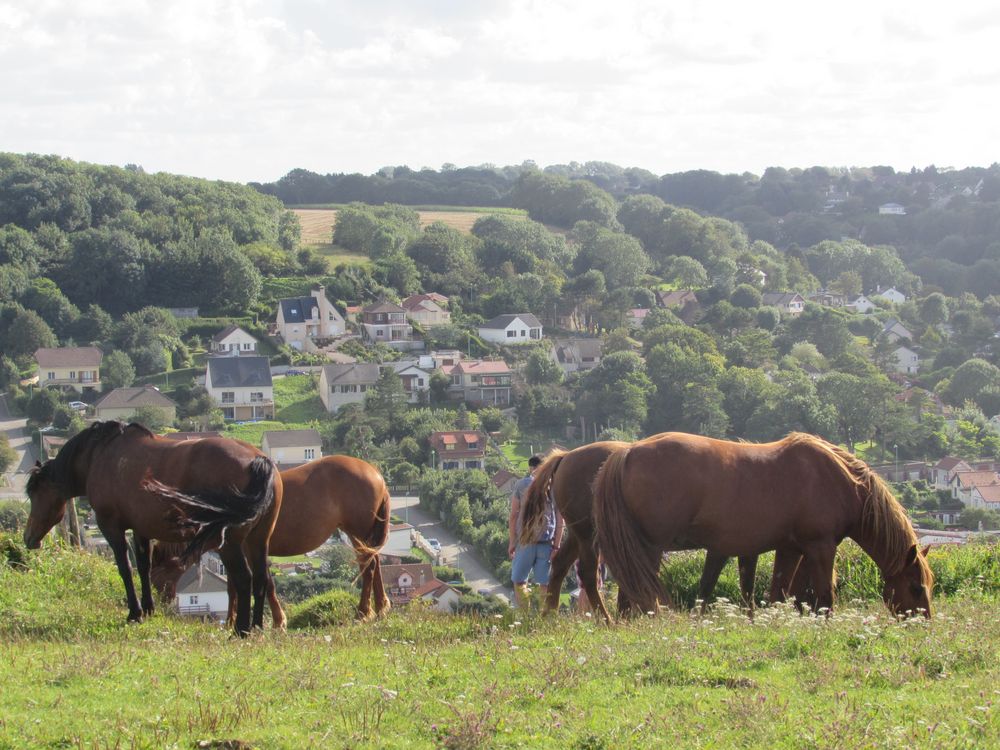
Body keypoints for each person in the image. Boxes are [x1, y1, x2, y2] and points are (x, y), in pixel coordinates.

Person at [508, 455, 563, 609]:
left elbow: (513, 515)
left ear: (530, 468)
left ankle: (525, 616)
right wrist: (556, 546)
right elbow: (560, 518)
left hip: (525, 541)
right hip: (546, 543)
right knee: (544, 584)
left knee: (520, 582)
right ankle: (543, 618)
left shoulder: (521, 485)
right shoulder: (553, 486)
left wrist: (512, 542)